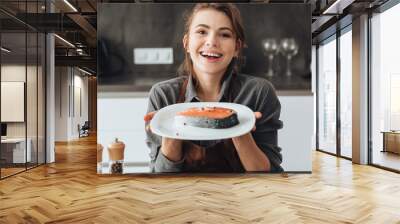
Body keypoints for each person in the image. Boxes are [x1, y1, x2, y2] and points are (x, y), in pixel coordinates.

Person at [145, 3, 283, 173]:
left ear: (237, 48)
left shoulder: (259, 92)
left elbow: (270, 176)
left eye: (224, 34)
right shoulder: (163, 96)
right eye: (202, 32)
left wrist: (240, 128)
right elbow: (158, 178)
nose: (212, 42)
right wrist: (170, 128)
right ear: (187, 43)